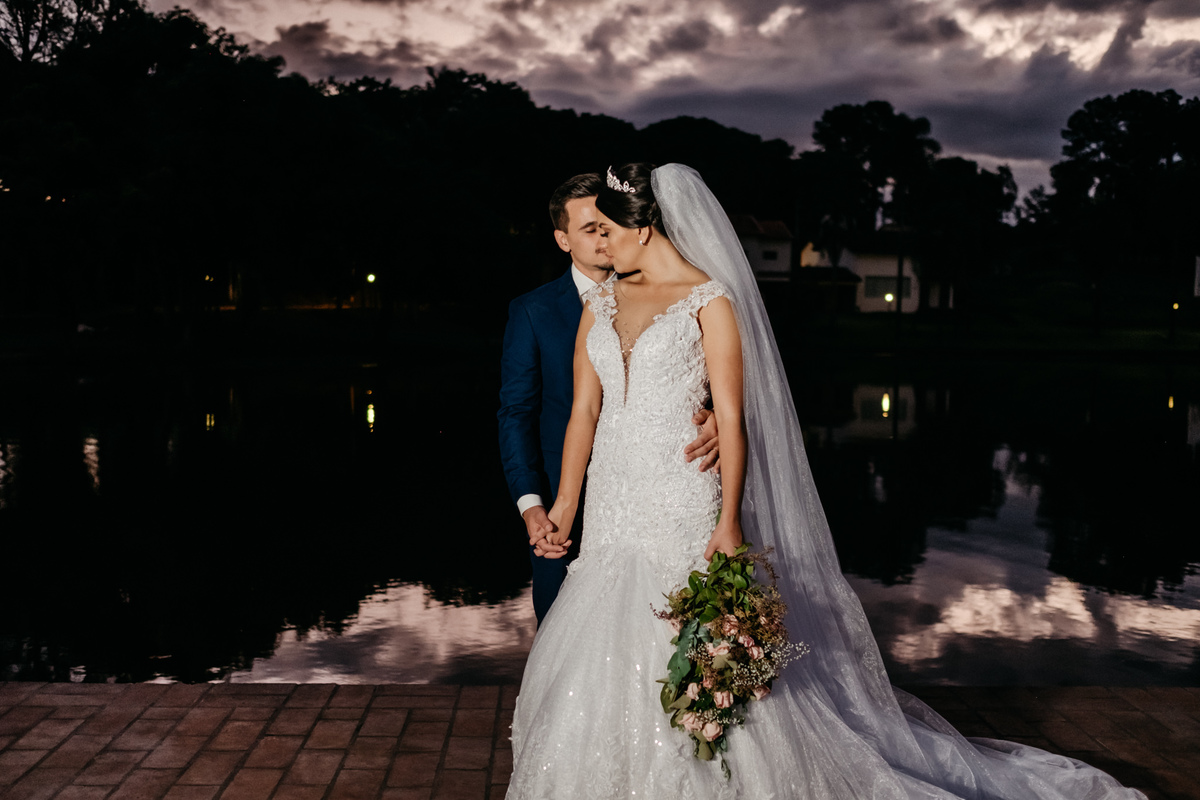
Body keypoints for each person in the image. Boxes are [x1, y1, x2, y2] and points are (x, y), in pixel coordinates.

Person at [506, 163, 1145, 799]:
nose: (600, 244)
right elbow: (586, 412)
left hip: (679, 496)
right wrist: (564, 505)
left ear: (643, 228)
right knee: (597, 635)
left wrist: (728, 522)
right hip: (614, 502)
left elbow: (733, 417)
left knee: (690, 637)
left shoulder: (710, 301)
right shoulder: (604, 300)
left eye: (607, 230)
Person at [498, 173, 720, 627]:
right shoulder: (533, 311)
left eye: (608, 224)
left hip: (667, 490)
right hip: (567, 503)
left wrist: (714, 413)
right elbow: (517, 414)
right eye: (589, 228)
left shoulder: (684, 296)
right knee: (564, 637)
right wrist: (532, 505)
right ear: (562, 240)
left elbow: (716, 375)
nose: (603, 237)